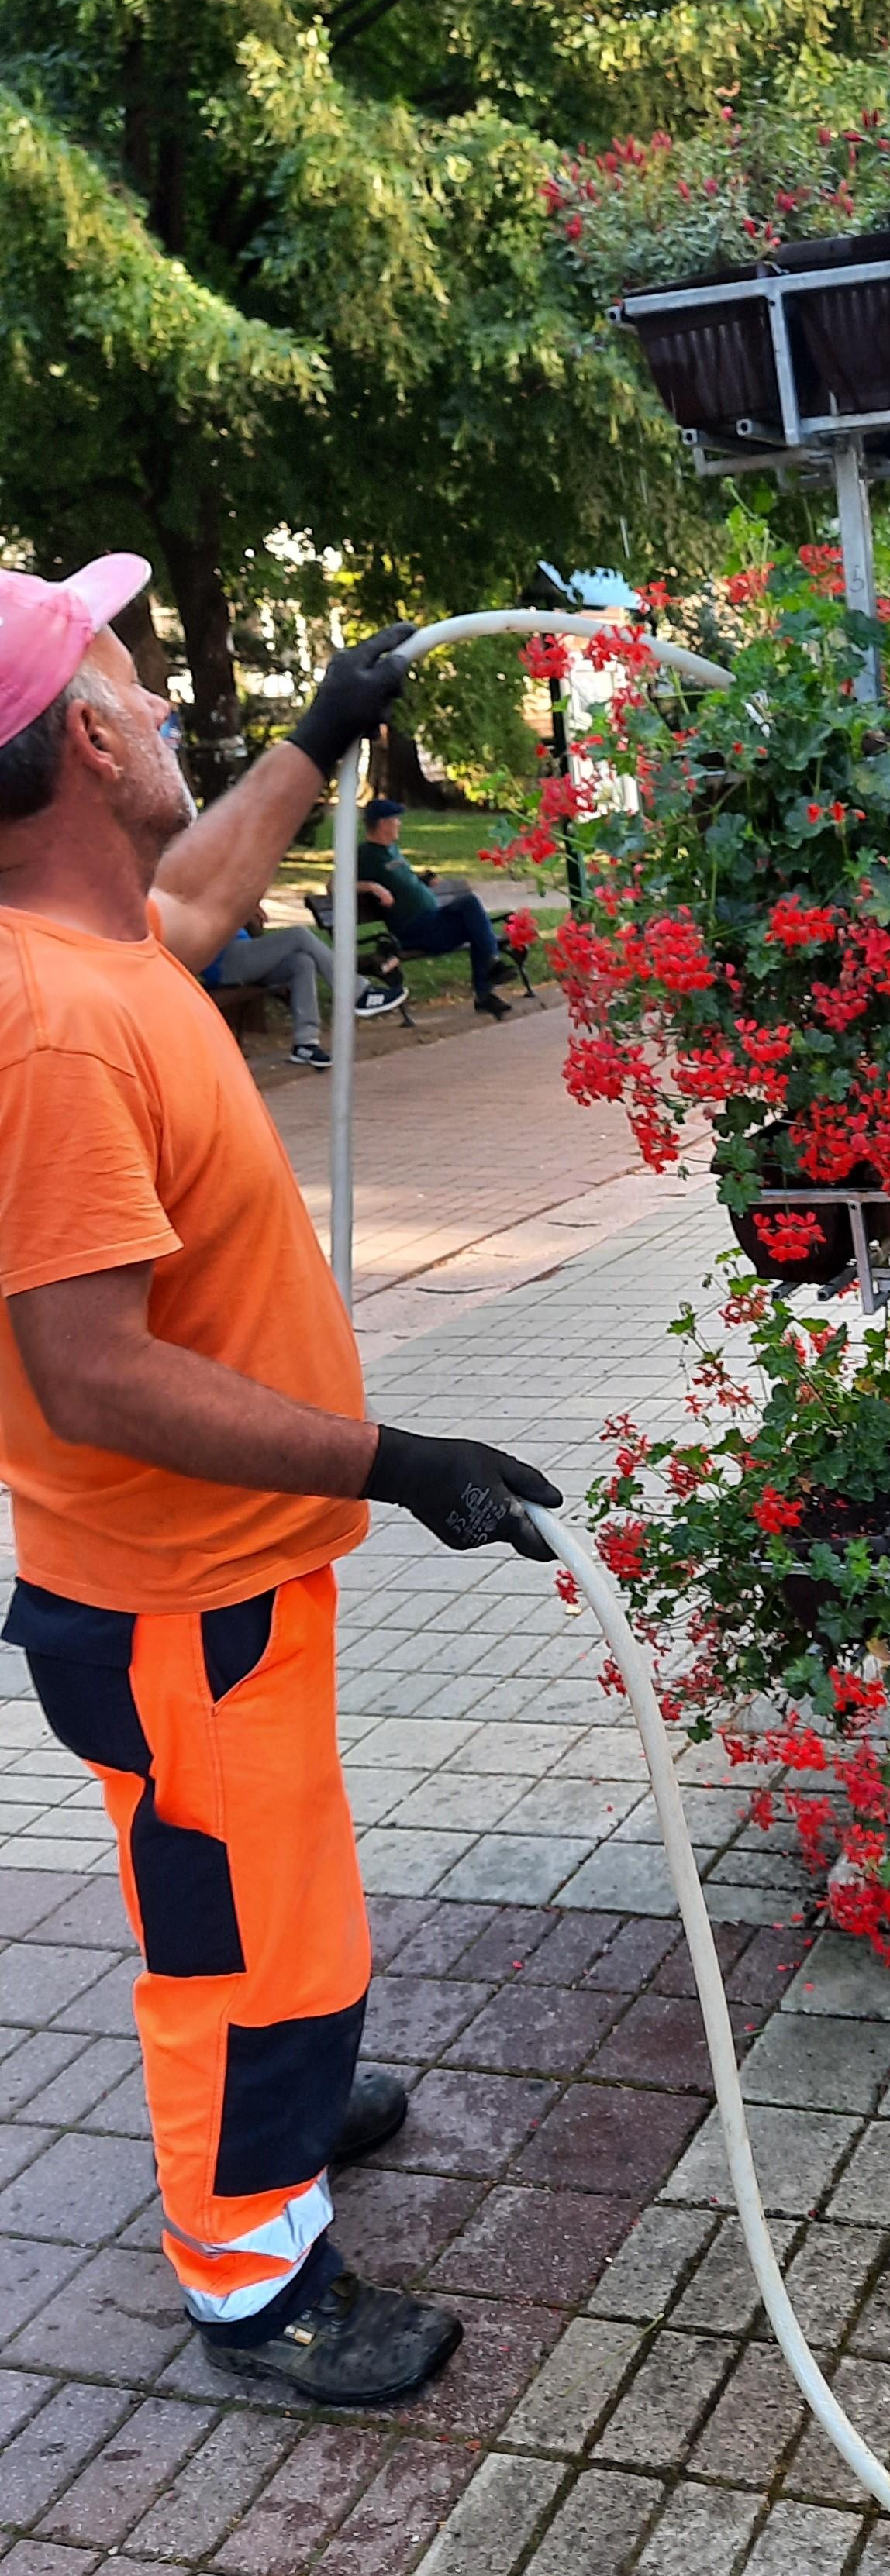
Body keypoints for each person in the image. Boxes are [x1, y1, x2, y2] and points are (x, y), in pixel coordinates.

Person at [0, 557, 564, 2406]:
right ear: (85, 735)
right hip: (177, 1604)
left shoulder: (98, 942)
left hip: (211, 1586)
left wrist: (325, 735)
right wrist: (398, 1461)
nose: (166, 704)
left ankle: (295, 2100)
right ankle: (255, 2276)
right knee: (244, 1945)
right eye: (136, 681)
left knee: (271, 1903)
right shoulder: (53, 1026)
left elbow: (196, 884)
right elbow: (88, 1377)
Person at [357, 799, 516, 1021]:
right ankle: (491, 968)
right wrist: (371, 887)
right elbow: (334, 885)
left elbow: (402, 881)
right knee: (469, 905)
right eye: (396, 820)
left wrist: (423, 880)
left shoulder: (392, 850)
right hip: (413, 930)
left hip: (430, 923)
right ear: (383, 824)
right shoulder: (366, 855)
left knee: (476, 928)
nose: (400, 824)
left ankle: (485, 994)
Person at [205, 912, 405, 1067]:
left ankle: (305, 1043)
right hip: (225, 962)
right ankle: (357, 993)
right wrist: (246, 906)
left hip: (245, 954)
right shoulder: (202, 888)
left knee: (302, 963)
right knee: (298, 935)